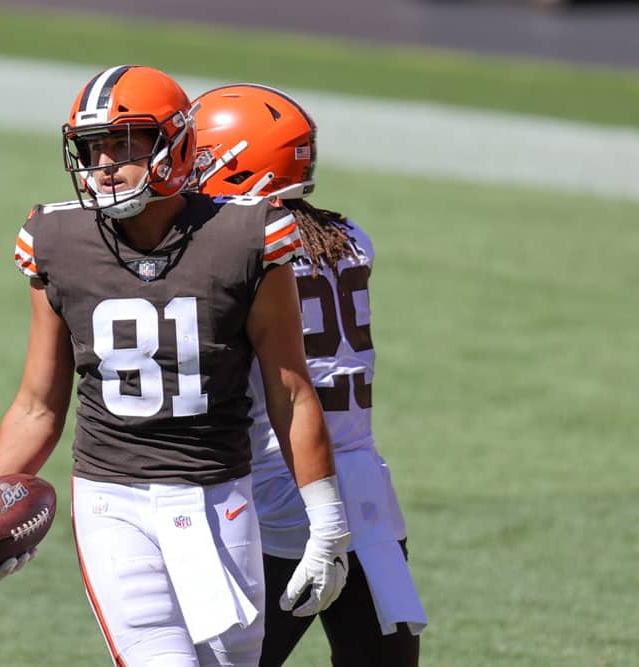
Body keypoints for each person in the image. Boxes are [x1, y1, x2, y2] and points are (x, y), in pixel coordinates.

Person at [0, 66, 353, 666]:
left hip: (220, 499)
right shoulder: (56, 240)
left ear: (178, 142)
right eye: (92, 148)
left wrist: (329, 523)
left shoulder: (246, 235)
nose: (105, 163)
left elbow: (290, 391)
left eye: (125, 142)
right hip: (114, 502)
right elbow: (37, 404)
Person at [191, 84, 428, 666]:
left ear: (233, 163)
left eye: (196, 156)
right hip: (368, 491)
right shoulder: (350, 239)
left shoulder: (236, 255)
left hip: (279, 488)